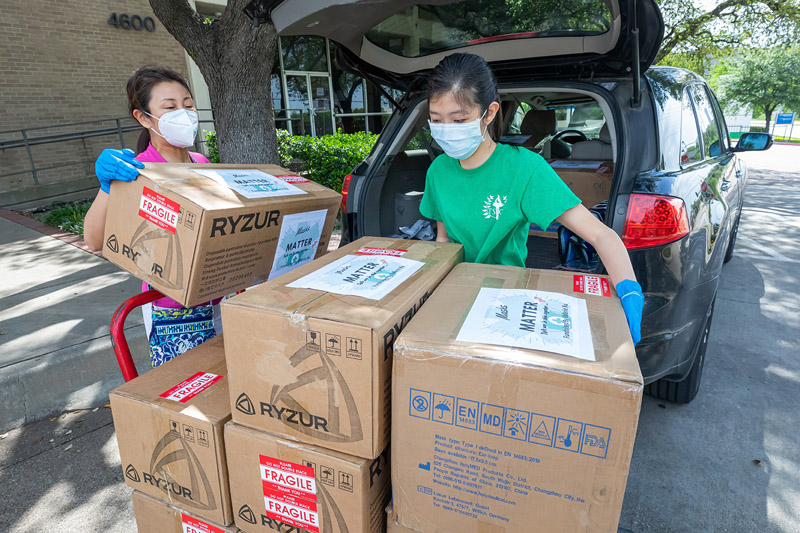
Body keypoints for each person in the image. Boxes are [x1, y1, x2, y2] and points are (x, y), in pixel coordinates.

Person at [419, 53, 644, 344]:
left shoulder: (524, 169)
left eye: (459, 120)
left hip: (505, 301)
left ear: (489, 113)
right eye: (437, 120)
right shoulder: (438, 170)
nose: (446, 131)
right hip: (454, 292)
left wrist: (629, 289)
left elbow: (600, 235)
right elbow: (443, 241)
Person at [84, 66, 220, 366]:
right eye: (170, 108)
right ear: (144, 118)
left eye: (187, 105)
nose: (184, 114)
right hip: (172, 308)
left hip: (219, 296)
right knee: (192, 393)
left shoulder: (201, 162)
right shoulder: (135, 171)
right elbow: (94, 241)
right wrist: (108, 187)